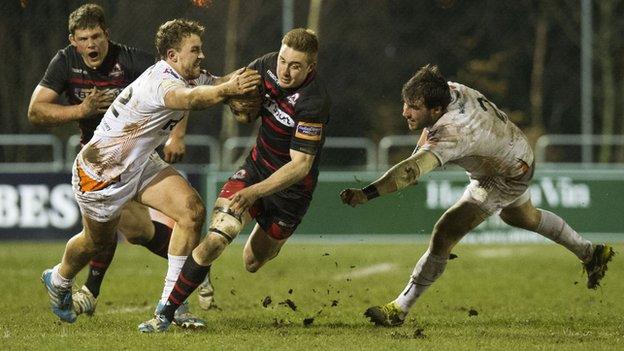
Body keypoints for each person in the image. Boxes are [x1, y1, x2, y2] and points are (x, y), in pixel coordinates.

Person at [340, 64, 615, 327]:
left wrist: (367, 194)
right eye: (406, 103)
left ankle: (399, 309)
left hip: (503, 174)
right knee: (523, 218)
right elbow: (426, 134)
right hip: (514, 153)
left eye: (413, 107)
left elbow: (410, 171)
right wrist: (416, 154)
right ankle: (591, 253)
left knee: (445, 232)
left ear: (435, 109)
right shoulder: (448, 90)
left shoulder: (455, 130)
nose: (405, 111)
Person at [39, 18, 261, 326]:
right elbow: (191, 99)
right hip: (102, 173)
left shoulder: (186, 75)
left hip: (139, 162)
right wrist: (229, 90)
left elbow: (218, 81)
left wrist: (259, 74)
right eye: (194, 50)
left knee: (192, 211)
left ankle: (171, 305)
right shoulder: (163, 82)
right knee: (95, 242)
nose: (202, 55)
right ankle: (59, 279)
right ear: (172, 56)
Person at [138, 28, 330, 333]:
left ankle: (204, 265)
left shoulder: (313, 102)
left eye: (295, 66)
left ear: (310, 68)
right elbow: (213, 89)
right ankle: (166, 313)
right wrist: (235, 106)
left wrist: (255, 194)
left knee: (252, 261)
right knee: (217, 236)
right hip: (255, 169)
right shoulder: (265, 66)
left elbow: (300, 166)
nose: (285, 70)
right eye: (283, 60)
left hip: (291, 192)